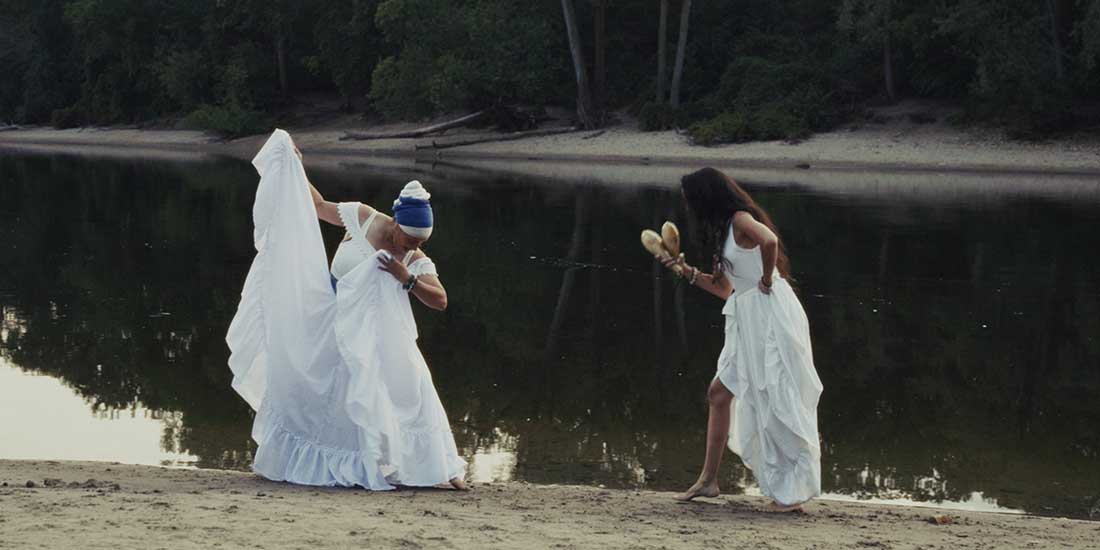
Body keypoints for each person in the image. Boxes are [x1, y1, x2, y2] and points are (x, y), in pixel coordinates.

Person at [227, 129, 467, 491]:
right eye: (410, 238)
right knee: (318, 392)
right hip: (331, 320)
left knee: (414, 386)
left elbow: (441, 299)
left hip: (376, 335)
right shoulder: (363, 218)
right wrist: (296, 166)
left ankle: (444, 469)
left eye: (421, 242)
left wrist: (407, 278)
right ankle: (300, 459)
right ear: (397, 224)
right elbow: (319, 206)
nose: (413, 245)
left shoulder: (415, 259)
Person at [660, 167, 822, 511]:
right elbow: (723, 289)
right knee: (719, 393)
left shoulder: (739, 219)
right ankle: (708, 481)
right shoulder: (720, 233)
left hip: (771, 313)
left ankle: (792, 489)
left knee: (777, 396)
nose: (688, 206)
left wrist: (766, 277)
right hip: (745, 316)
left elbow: (769, 241)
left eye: (690, 199)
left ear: (705, 197)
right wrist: (683, 270)